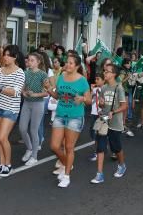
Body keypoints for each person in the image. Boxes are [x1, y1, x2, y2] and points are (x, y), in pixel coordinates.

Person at [44, 54, 91, 188]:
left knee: (69, 147)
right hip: (60, 115)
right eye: (67, 63)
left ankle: (66, 176)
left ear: (77, 66)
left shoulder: (82, 80)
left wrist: (82, 99)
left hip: (75, 117)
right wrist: (48, 89)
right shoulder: (61, 77)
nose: (68, 65)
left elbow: (89, 100)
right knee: (54, 146)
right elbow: (58, 96)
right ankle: (67, 165)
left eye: (71, 63)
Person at [0, 45, 25, 177]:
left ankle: (8, 165)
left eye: (9, 55)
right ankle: (2, 164)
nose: (5, 57)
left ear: (15, 57)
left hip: (11, 108)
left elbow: (15, 92)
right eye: (5, 54)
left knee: (3, 137)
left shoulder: (19, 72)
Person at [90, 64, 128, 184]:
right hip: (104, 121)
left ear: (113, 74)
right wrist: (101, 104)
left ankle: (122, 165)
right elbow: (102, 104)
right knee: (100, 147)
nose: (105, 73)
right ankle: (99, 174)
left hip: (115, 122)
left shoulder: (119, 88)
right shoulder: (104, 87)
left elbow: (124, 106)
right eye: (104, 71)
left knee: (116, 147)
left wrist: (114, 111)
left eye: (107, 71)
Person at [18, 53, 49, 166]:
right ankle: (29, 148)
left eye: (32, 60)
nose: (29, 62)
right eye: (29, 60)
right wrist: (24, 93)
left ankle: (34, 156)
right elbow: (22, 88)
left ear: (38, 62)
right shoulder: (25, 73)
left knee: (33, 130)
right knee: (22, 128)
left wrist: (35, 95)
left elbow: (47, 92)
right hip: (27, 103)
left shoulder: (43, 74)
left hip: (38, 104)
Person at [88, 75, 105, 161]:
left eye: (98, 79)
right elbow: (90, 100)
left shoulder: (105, 89)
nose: (96, 80)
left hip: (101, 114)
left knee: (99, 133)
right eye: (95, 79)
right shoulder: (95, 89)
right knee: (93, 132)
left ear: (103, 80)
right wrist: (91, 90)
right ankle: (100, 149)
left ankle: (98, 152)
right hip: (94, 112)